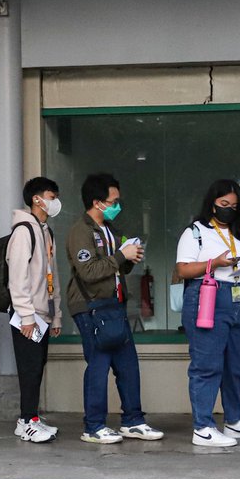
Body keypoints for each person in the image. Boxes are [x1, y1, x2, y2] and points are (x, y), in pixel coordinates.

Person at [66, 173, 163, 444]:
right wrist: (122, 255)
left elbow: (116, 265)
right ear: (97, 202)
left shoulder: (110, 230)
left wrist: (130, 257)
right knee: (98, 365)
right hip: (91, 307)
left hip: (115, 306)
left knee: (128, 366)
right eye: (113, 201)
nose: (117, 205)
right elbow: (88, 271)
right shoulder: (80, 231)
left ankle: (133, 420)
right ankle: (93, 425)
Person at [176, 179, 240, 447]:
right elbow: (183, 270)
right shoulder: (196, 231)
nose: (229, 209)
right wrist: (214, 263)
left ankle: (234, 422)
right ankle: (203, 427)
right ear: (212, 205)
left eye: (234, 205)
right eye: (224, 204)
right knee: (206, 365)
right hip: (208, 296)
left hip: (237, 298)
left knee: (235, 365)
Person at [7, 177, 64, 443]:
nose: (54, 202)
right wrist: (27, 316)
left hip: (43, 313)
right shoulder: (24, 231)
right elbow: (18, 278)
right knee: (29, 369)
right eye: (51, 196)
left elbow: (52, 276)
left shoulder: (45, 231)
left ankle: (30, 418)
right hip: (27, 316)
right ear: (36, 199)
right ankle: (26, 420)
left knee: (37, 367)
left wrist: (56, 315)